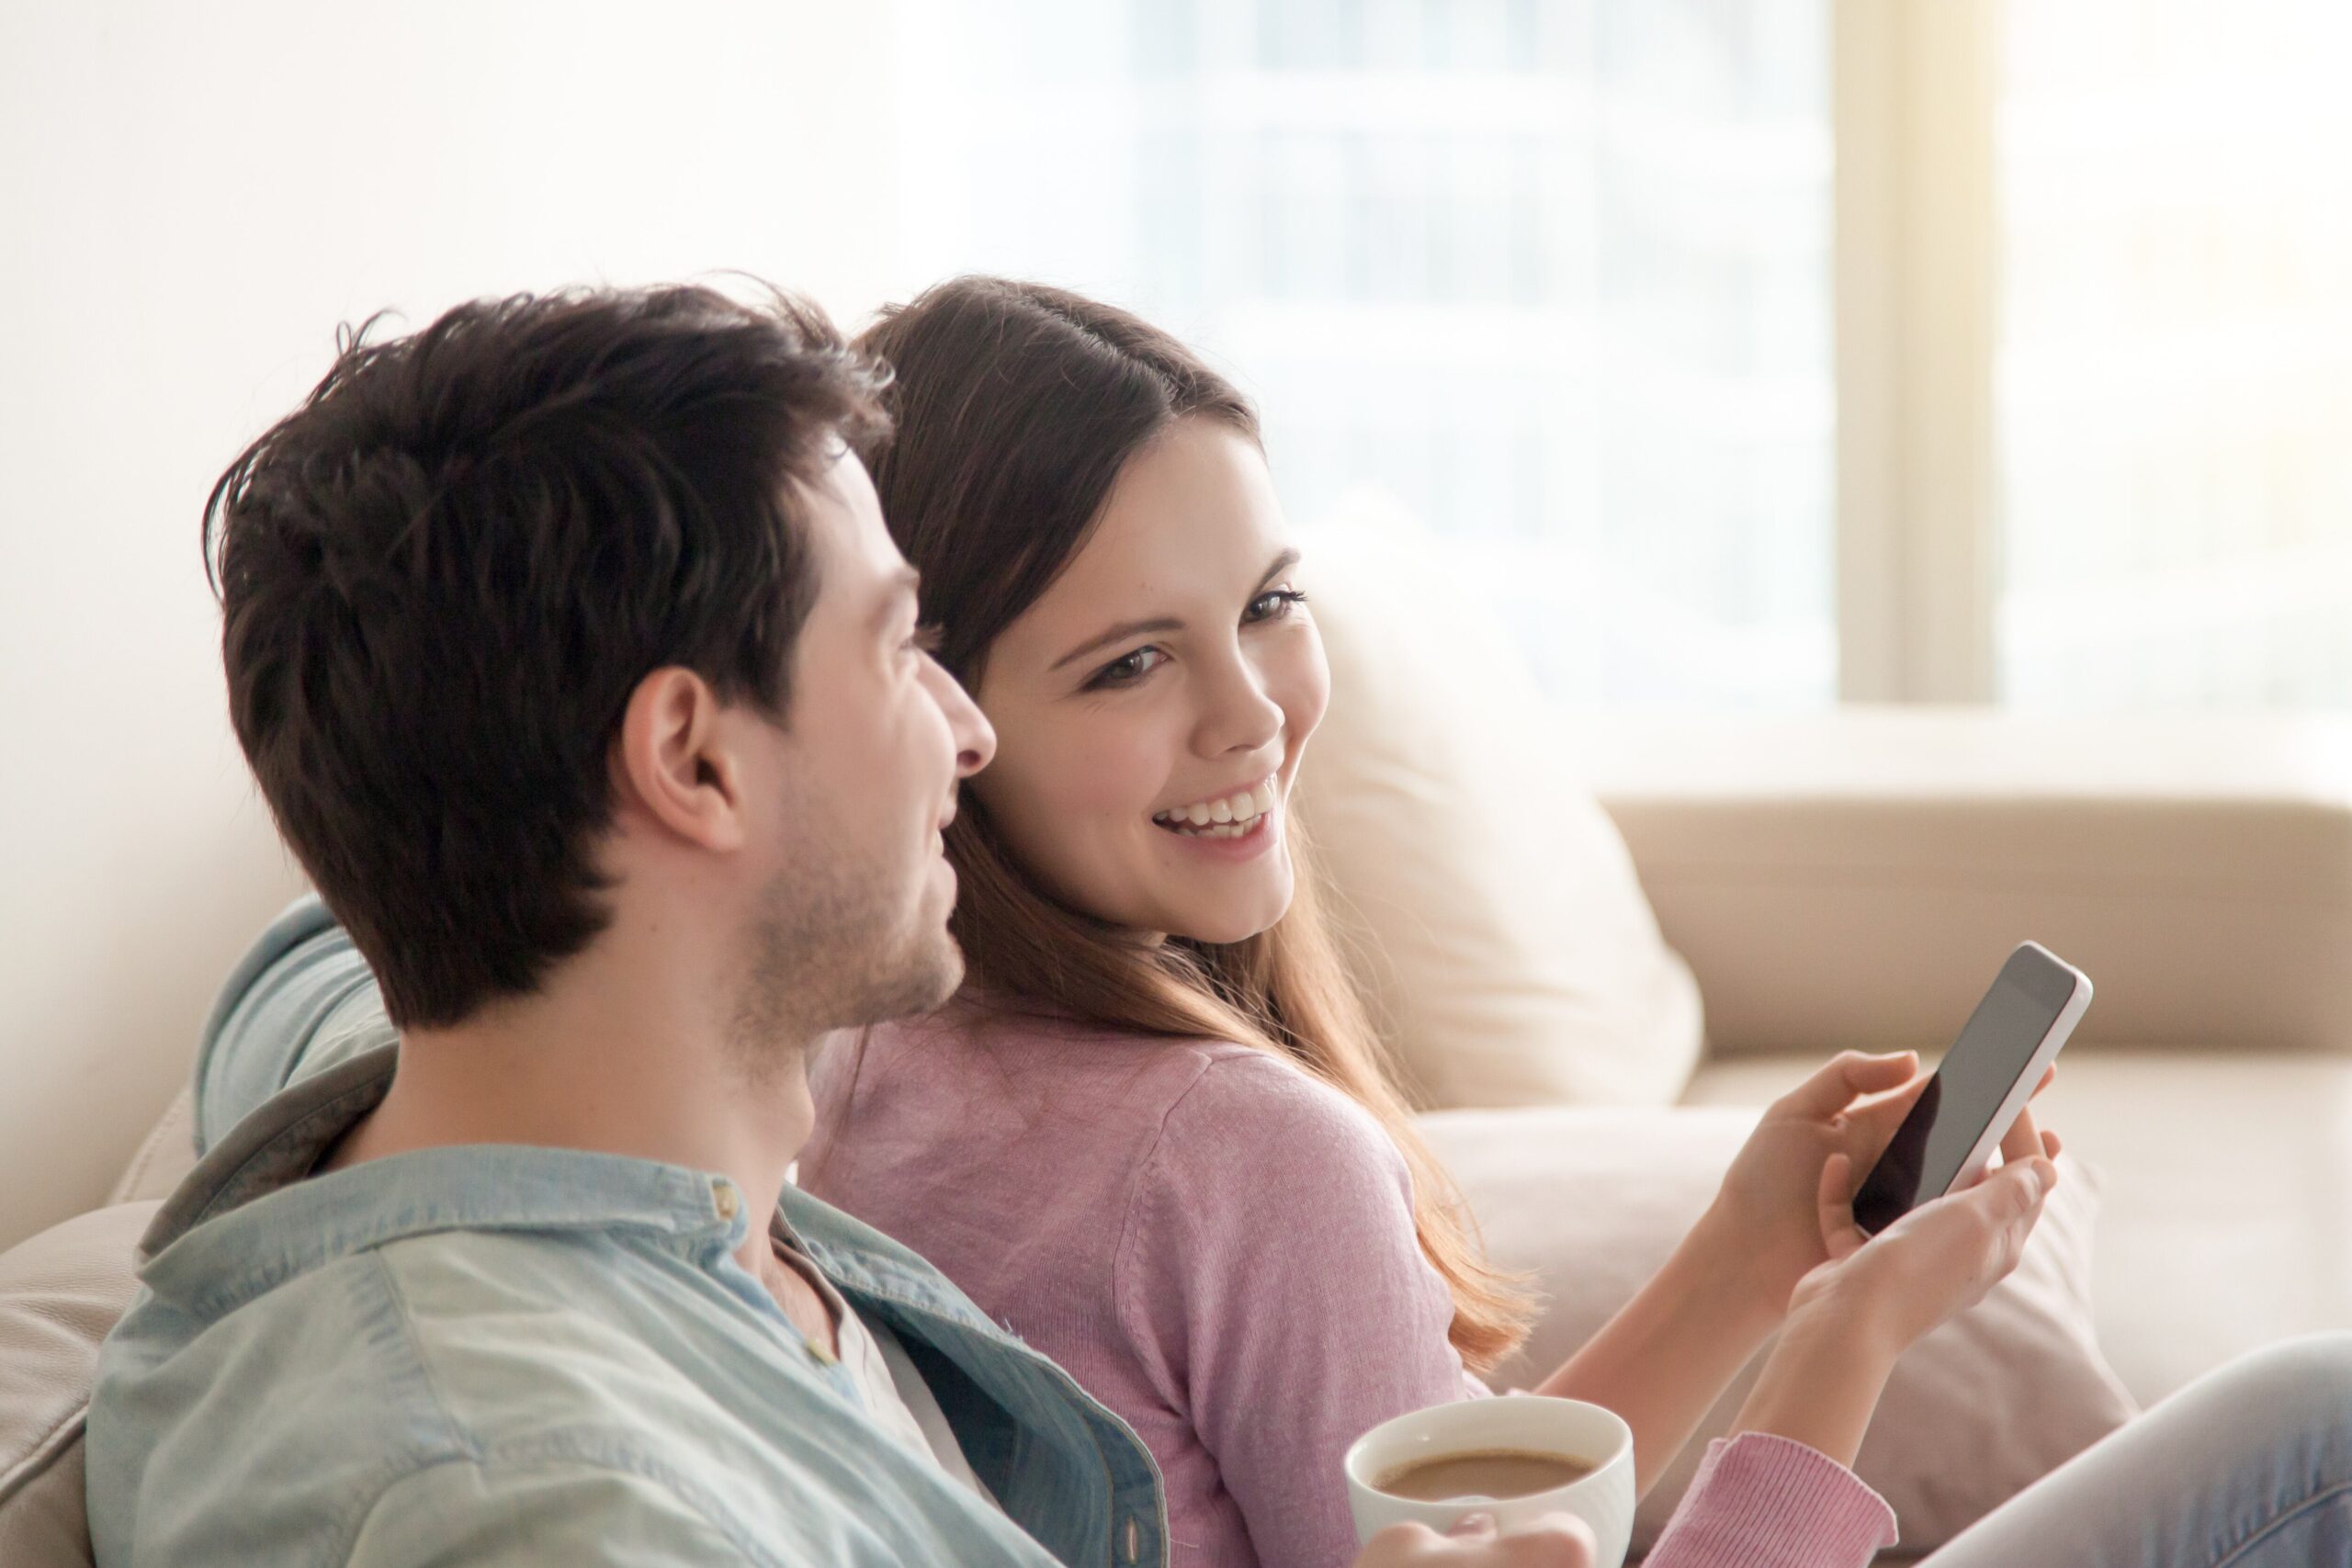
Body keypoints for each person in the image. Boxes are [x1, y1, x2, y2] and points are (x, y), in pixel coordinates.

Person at [788, 276, 2352, 1568]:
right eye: (1132, 662)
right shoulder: (1234, 1159)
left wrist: (1741, 1265)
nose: (1252, 712)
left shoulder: (838, 1073)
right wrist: (1842, 1347)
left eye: (1268, 604)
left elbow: (1452, 1525)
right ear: (943, 707)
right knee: (2322, 1432)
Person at [85, 284, 1593, 1568]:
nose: (965, 733)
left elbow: (313, 968)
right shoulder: (556, 1503)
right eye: (892, 649)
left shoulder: (464, 1085)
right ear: (694, 762)